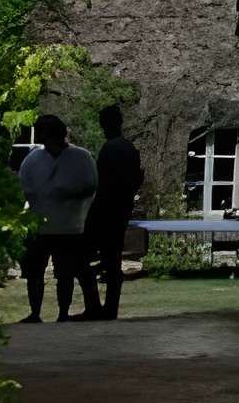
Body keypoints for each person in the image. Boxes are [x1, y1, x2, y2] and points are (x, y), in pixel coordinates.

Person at [15, 113, 99, 323]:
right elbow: (24, 186)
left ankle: (63, 312)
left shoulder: (81, 157)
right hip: (39, 226)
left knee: (65, 272)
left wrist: (64, 191)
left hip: (69, 226)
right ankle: (35, 312)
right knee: (35, 272)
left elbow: (90, 185)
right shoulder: (33, 159)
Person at [87, 104, 144, 321]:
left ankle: (100, 307)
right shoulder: (128, 148)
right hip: (120, 211)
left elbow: (102, 185)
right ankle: (108, 308)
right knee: (112, 262)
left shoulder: (111, 149)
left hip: (107, 212)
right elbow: (136, 180)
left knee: (88, 260)